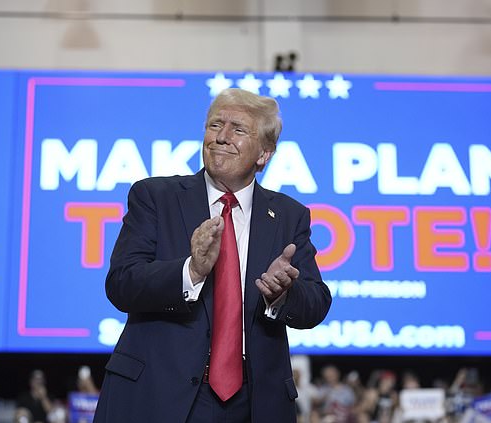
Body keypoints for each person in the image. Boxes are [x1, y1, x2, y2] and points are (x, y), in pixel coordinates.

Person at [93, 88, 332, 422]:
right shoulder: (155, 196)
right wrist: (191, 271)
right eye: (214, 125)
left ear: (264, 154)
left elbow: (316, 303)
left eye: (237, 129)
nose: (221, 137)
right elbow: (121, 283)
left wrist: (283, 294)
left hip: (254, 404)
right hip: (158, 396)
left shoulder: (289, 216)